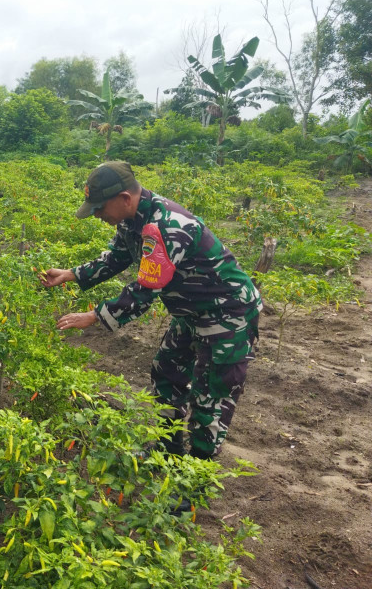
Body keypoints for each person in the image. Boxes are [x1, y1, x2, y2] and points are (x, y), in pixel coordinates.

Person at [41, 161, 261, 460]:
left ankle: (191, 483)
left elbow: (145, 290)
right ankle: (167, 449)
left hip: (226, 315)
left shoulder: (168, 226)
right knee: (167, 373)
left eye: (99, 208)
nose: (97, 215)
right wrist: (73, 273)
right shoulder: (132, 219)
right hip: (190, 312)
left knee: (211, 399)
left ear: (124, 198)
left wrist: (94, 316)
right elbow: (117, 256)